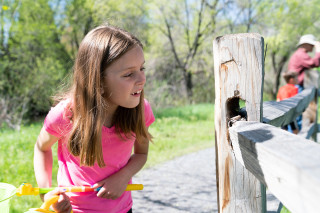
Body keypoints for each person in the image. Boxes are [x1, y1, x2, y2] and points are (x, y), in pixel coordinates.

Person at [34, 24, 155, 213]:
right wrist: (47, 192)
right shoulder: (67, 114)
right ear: (97, 79)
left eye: (142, 68)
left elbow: (141, 154)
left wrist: (123, 176)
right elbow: (41, 147)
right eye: (129, 74)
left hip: (123, 209)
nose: (142, 79)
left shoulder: (141, 110)